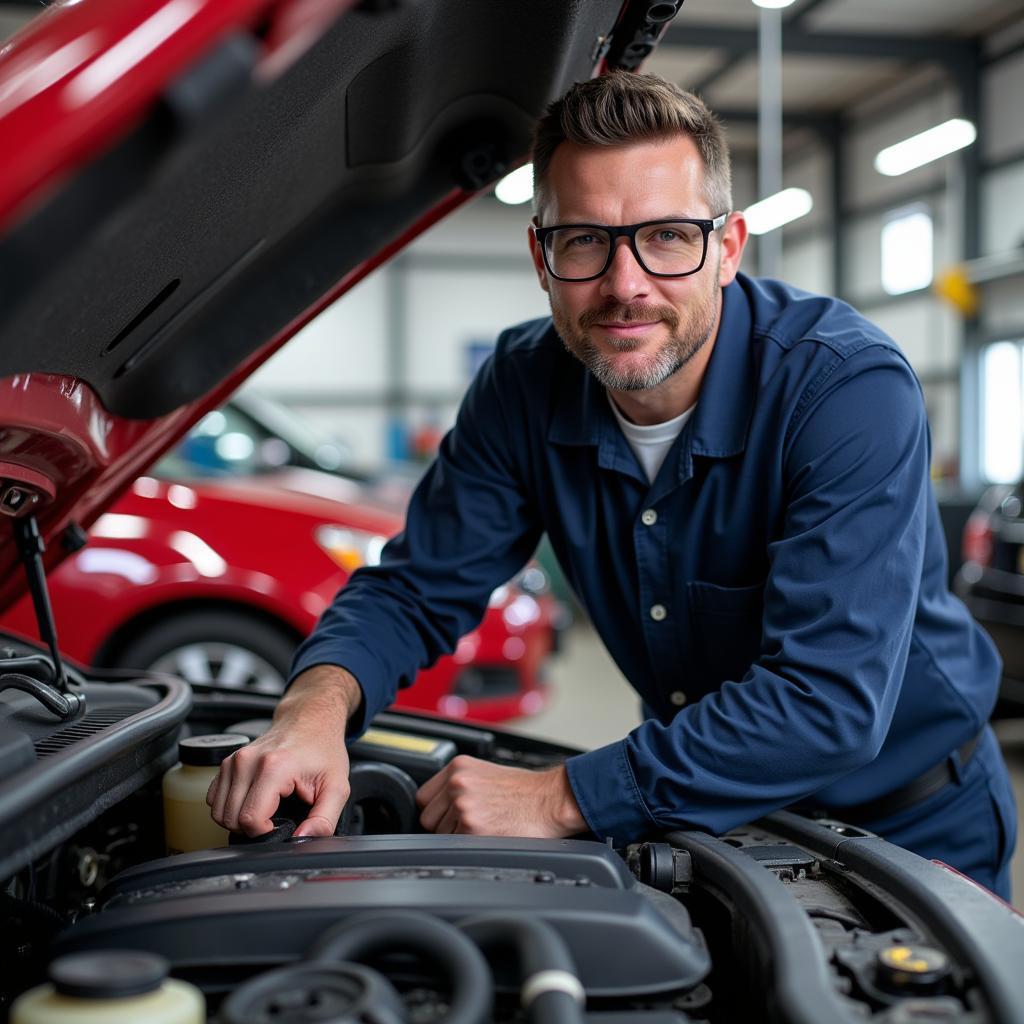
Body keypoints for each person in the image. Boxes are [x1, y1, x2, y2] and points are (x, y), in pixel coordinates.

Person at [208, 72, 1017, 899]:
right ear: (541, 255)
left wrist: (560, 796)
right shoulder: (522, 386)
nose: (626, 284)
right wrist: (313, 712)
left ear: (729, 248)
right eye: (586, 239)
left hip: (905, 820)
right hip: (699, 814)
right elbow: (416, 588)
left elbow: (826, 700)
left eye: (667, 236)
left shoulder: (845, 389)